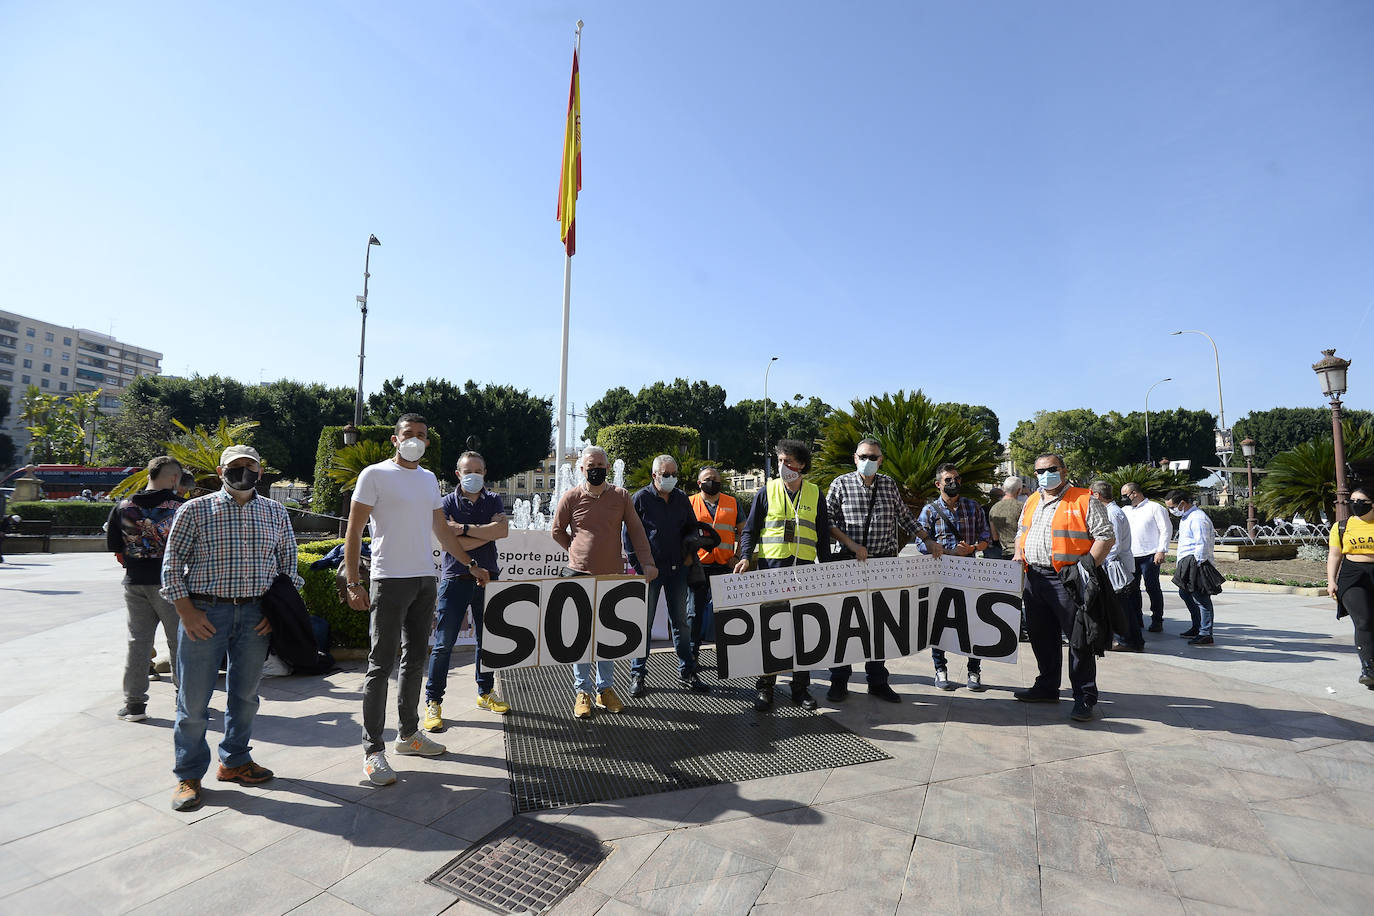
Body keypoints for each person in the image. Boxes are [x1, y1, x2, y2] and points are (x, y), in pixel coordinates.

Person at [343, 414, 490, 788]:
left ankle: (408, 734)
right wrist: (353, 582)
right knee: (380, 665)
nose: (416, 440)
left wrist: (470, 563)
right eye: (409, 434)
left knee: (415, 659)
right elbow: (354, 529)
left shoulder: (428, 481)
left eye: (422, 435)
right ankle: (373, 751)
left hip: (425, 579)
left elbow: (441, 529)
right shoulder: (373, 475)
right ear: (395, 439)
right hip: (388, 580)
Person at [161, 444, 301, 811]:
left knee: (246, 697)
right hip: (205, 614)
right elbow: (172, 564)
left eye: (250, 466)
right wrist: (186, 611)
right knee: (192, 701)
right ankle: (188, 775)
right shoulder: (195, 510)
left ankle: (235, 761)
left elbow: (288, 564)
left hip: (256, 616)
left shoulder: (274, 511)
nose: (243, 472)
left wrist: (279, 610)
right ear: (221, 472)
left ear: (260, 470)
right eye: (235, 466)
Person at [825, 438, 943, 702]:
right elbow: (828, 521)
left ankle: (878, 681)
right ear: (855, 458)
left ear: (881, 460)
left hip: (884, 563)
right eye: (864, 456)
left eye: (874, 457)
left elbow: (905, 517)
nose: (869, 461)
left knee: (878, 624)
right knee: (846, 622)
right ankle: (839, 680)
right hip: (849, 562)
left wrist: (927, 539)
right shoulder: (840, 484)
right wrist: (852, 545)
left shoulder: (888, 484)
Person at [550, 445, 657, 718]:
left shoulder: (621, 496)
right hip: (578, 575)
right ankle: (582, 691)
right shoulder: (571, 497)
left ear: (608, 468)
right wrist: (576, 551)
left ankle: (605, 689)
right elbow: (557, 530)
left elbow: (636, 531)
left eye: (600, 464)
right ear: (582, 469)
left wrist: (647, 563)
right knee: (582, 636)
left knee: (607, 636)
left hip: (612, 577)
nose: (595, 469)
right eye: (590, 465)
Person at [1012, 453, 1114, 722]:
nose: (1045, 474)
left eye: (1051, 469)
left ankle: (1084, 696)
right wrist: (1017, 555)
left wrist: (1084, 569)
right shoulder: (1032, 500)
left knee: (1078, 640)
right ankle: (1046, 686)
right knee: (1041, 635)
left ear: (1064, 471)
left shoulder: (1084, 499)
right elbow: (1021, 532)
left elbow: (1105, 536)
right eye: (1039, 471)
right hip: (1034, 577)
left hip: (1068, 579)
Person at [734, 439, 832, 711]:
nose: (782, 466)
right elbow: (750, 530)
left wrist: (826, 568)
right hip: (772, 573)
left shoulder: (815, 493)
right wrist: (744, 557)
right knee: (771, 630)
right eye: (779, 461)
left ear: (801, 466)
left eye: (788, 462)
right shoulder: (767, 491)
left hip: (804, 573)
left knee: (802, 632)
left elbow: (823, 536)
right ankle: (765, 687)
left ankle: (800, 688)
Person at [422, 450, 510, 732]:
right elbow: (445, 541)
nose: (473, 475)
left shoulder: (494, 499)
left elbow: (502, 532)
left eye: (478, 470)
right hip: (456, 578)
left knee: (488, 641)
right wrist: (480, 535)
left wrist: (463, 531)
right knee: (443, 644)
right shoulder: (446, 501)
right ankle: (433, 702)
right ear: (457, 474)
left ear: (485, 473)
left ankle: (485, 693)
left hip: (488, 579)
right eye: (467, 470)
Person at [108, 455, 186, 722]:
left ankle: (134, 706)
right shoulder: (181, 507)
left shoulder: (123, 506)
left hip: (134, 583)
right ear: (174, 478)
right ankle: (186, 701)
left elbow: (114, 547)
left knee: (137, 644)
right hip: (172, 584)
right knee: (179, 643)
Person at [626, 455, 709, 696]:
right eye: (666, 474)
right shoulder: (640, 498)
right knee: (645, 623)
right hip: (650, 570)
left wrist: (689, 554)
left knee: (681, 623)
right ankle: (638, 674)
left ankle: (687, 670)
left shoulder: (681, 498)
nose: (671, 478)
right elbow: (628, 534)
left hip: (678, 569)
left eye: (674, 474)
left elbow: (692, 528)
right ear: (655, 475)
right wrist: (640, 566)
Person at [918, 463, 992, 691]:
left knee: (973, 621)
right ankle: (940, 669)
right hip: (941, 572)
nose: (954, 483)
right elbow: (921, 543)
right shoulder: (929, 510)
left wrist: (973, 547)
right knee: (939, 621)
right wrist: (949, 552)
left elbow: (986, 536)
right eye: (948, 479)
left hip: (969, 570)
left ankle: (974, 671)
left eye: (957, 478)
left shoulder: (973, 506)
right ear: (938, 484)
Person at [687, 466, 740, 661]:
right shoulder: (689, 502)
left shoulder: (732, 502)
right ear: (699, 483)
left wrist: (739, 555)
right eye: (708, 479)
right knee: (694, 612)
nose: (713, 482)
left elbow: (744, 530)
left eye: (716, 479)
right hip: (698, 566)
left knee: (726, 612)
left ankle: (728, 655)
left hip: (725, 565)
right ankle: (692, 655)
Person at [1327, 486, 1374, 689]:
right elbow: (1335, 555)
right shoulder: (1341, 527)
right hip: (1352, 575)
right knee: (1363, 620)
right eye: (1352, 501)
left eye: (1361, 502)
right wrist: (1331, 580)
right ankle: (1368, 669)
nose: (1355, 505)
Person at [1090, 480, 1143, 652]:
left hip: (1114, 566)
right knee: (1122, 606)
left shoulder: (1111, 513)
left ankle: (1127, 640)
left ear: (1097, 495)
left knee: (1122, 606)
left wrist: (1100, 561)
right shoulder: (1113, 511)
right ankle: (1128, 639)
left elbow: (1113, 544)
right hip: (1115, 564)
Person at [1164, 490, 1218, 646]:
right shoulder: (1186, 517)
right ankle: (1198, 626)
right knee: (1185, 593)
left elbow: (1202, 543)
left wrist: (1199, 566)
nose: (1171, 510)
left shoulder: (1198, 518)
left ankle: (1205, 633)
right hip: (1187, 562)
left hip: (1196, 562)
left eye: (1172, 507)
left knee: (1201, 598)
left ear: (1182, 503)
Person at [1120, 482, 1173, 633]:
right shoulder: (1125, 510)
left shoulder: (1155, 508)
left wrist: (1161, 550)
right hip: (1130, 555)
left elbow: (1165, 529)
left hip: (1150, 554)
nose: (1123, 499)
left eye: (1125, 495)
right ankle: (1136, 619)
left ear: (1135, 493)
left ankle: (1157, 619)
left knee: (1152, 587)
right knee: (1132, 589)